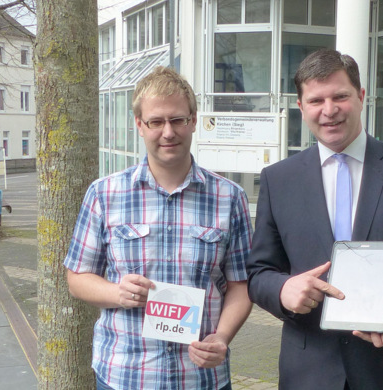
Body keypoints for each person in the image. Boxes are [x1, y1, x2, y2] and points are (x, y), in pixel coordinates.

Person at [246, 49, 383, 389]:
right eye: (316, 100)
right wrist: (282, 290)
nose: (329, 110)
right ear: (300, 106)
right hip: (309, 372)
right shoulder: (279, 180)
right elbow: (259, 272)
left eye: (340, 96)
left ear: (362, 96)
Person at [64, 66, 253, 390]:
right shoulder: (104, 194)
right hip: (124, 375)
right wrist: (116, 293)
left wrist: (222, 337)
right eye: (156, 121)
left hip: (200, 378)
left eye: (178, 119)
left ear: (193, 121)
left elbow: (242, 285)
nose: (168, 132)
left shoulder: (229, 198)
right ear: (140, 124)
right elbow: (77, 277)